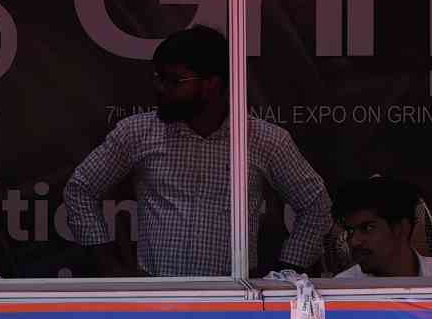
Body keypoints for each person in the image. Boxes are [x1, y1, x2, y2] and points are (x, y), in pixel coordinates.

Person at [52, 26, 330, 278]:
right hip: (156, 294)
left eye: (174, 81)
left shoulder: (264, 139)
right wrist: (108, 266)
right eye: (158, 78)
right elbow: (80, 189)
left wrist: (286, 273)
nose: (159, 88)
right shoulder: (137, 132)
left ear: (212, 84)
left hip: (234, 298)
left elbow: (316, 205)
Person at [326, 175, 432, 284]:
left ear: (401, 228)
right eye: (350, 231)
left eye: (368, 228)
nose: (354, 242)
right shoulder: (342, 288)